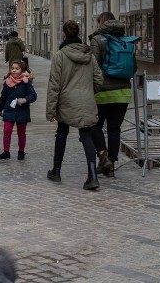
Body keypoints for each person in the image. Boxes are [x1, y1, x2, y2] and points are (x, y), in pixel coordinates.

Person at [45, 20, 104, 190]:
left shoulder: (60, 56)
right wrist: (89, 92)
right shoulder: (89, 55)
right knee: (86, 135)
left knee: (62, 133)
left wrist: (50, 110)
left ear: (64, 34)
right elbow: (98, 79)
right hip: (86, 100)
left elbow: (54, 85)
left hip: (66, 101)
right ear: (79, 34)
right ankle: (92, 176)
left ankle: (56, 171)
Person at [88, 11, 132, 178]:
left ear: (101, 23)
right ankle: (111, 165)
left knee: (94, 125)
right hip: (123, 92)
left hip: (103, 92)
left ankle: (103, 156)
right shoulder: (126, 40)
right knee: (115, 128)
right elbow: (133, 67)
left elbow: (93, 66)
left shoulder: (97, 40)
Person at [0, 60, 37, 161]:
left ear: (22, 70)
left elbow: (33, 96)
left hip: (22, 111)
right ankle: (6, 151)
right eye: (12, 68)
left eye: (17, 68)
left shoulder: (26, 82)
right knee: (7, 130)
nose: (14, 70)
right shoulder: (7, 82)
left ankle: (21, 151)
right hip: (9, 110)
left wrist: (24, 100)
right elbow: (3, 96)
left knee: (21, 133)